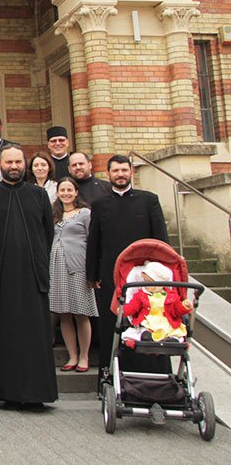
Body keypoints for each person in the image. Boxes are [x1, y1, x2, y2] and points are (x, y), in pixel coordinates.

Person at [0, 146, 57, 408]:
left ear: (25, 164)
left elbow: (47, 234)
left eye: (18, 162)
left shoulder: (39, 195)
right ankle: (9, 394)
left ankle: (36, 395)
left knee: (35, 337)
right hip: (1, 279)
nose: (14, 166)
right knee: (5, 337)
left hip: (32, 277)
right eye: (9, 162)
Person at [86, 154, 168, 371]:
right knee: (112, 323)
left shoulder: (149, 200)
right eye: (115, 171)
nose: (120, 174)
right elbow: (94, 241)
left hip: (146, 277)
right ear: (108, 174)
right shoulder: (99, 204)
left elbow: (161, 240)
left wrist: (163, 273)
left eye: (124, 170)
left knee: (149, 322)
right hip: (111, 275)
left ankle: (153, 377)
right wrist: (92, 275)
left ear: (131, 172)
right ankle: (111, 375)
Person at [50, 177, 97, 373]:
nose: (66, 193)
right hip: (56, 267)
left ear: (76, 192)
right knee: (64, 313)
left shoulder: (85, 213)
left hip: (78, 266)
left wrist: (93, 270)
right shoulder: (53, 214)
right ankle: (72, 355)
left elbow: (93, 240)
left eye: (69, 190)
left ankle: (84, 356)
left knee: (80, 313)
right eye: (62, 190)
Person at [121, 262, 194, 345]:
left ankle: (171, 340)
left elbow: (176, 310)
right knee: (145, 331)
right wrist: (123, 310)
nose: (146, 285)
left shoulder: (172, 296)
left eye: (149, 282)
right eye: (145, 281)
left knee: (172, 332)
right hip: (148, 322)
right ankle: (147, 337)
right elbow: (133, 306)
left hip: (166, 322)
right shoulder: (141, 295)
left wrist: (184, 306)